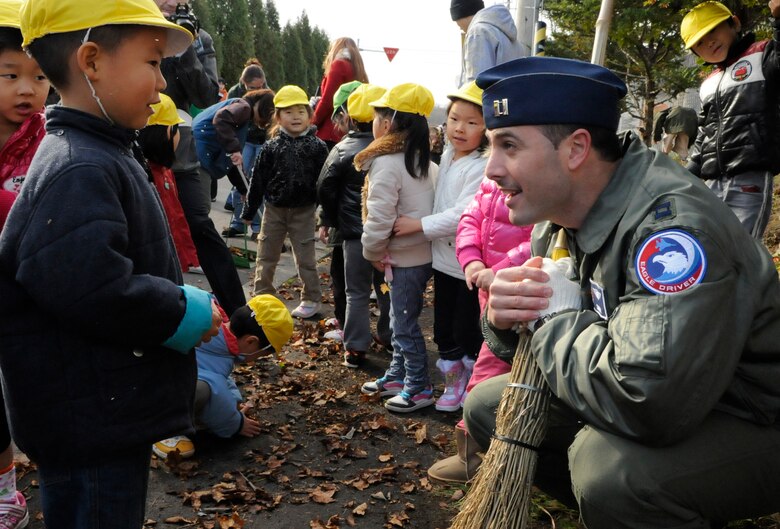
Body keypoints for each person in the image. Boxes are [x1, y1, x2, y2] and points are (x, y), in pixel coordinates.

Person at [460, 56, 780, 527]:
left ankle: (644, 503)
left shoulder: (672, 231)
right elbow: (552, 341)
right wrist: (506, 319)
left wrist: (553, 321)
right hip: (690, 394)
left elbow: (647, 401)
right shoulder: (559, 217)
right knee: (488, 406)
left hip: (754, 413)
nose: (491, 169)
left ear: (575, 150)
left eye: (508, 145)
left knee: (611, 473)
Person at [0, 1, 223, 526]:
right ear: (92, 62)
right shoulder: (79, 166)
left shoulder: (97, 151)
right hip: (90, 418)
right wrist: (182, 310)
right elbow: (91, 286)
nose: (163, 84)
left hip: (97, 406)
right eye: (152, 63)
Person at [426, 175, 534, 484]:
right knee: (492, 363)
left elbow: (542, 238)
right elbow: (471, 218)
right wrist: (472, 261)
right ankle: (478, 449)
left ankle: (471, 452)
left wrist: (499, 271)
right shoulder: (492, 180)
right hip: (489, 291)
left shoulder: (539, 181)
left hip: (520, 291)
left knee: (490, 367)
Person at [390, 81, 487, 411]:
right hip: (443, 261)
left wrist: (418, 225)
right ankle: (453, 381)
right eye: (455, 119)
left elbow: (464, 213)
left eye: (472, 122)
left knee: (467, 328)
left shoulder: (481, 166)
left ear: (488, 129)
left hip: (469, 264)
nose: (460, 129)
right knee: (443, 327)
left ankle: (473, 386)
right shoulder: (447, 155)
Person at [155, 0, 246, 316]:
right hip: (134, 140)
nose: (169, 2)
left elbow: (207, 95)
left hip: (179, 142)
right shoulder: (131, 21)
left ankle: (239, 314)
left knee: (199, 223)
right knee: (145, 227)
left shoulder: (198, 37)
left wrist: (183, 44)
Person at [357, 83, 438, 412]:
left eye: (377, 116)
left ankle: (419, 386)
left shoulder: (387, 164)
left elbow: (379, 218)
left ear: (387, 122)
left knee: (403, 325)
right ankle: (398, 374)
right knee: (400, 319)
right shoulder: (426, 162)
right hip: (419, 256)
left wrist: (372, 252)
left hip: (401, 258)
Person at [0, 1, 49, 525]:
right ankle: (7, 489)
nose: (26, 89)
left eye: (38, 76)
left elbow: (47, 211)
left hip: (27, 294)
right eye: (10, 74)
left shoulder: (49, 140)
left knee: (23, 389)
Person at [681, 0, 780, 239]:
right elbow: (707, 131)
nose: (709, 42)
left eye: (713, 31)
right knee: (711, 245)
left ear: (734, 23)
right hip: (712, 181)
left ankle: (753, 278)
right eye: (699, 42)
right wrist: (686, 174)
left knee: (741, 247)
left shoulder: (763, 56)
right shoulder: (709, 82)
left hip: (750, 175)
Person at [154, 295, 294, 459]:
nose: (256, 359)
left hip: (150, 377)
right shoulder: (217, 349)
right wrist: (237, 423)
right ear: (250, 341)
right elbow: (216, 391)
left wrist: (233, 400)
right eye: (260, 354)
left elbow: (219, 376)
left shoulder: (216, 332)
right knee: (202, 390)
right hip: (150, 394)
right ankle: (164, 429)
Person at [316, 82, 392, 367]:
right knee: (386, 287)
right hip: (386, 234)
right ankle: (389, 335)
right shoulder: (391, 150)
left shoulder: (342, 149)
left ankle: (356, 347)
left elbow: (324, 187)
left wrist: (333, 218)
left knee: (356, 291)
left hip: (353, 236)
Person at [241, 85, 329, 319]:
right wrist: (249, 210)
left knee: (306, 258)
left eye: (301, 111)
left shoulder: (318, 147)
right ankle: (262, 296)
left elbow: (325, 182)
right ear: (278, 117)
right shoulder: (270, 147)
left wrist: (326, 214)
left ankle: (311, 298)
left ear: (310, 116)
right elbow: (257, 180)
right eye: (288, 112)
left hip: (304, 211)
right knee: (266, 255)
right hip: (274, 210)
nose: (296, 116)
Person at [192, 88, 275, 242]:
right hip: (198, 156)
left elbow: (231, 163)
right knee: (201, 209)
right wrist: (234, 148)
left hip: (199, 156)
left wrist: (244, 190)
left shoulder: (241, 113)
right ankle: (199, 249)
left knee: (199, 208)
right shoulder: (244, 107)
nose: (262, 123)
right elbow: (221, 118)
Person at [139, 93, 200, 273]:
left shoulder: (164, 172)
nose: (179, 137)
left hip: (170, 263)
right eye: (175, 129)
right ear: (164, 133)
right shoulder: (146, 176)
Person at [223, 59, 268, 235]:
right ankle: (237, 223)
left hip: (262, 141)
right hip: (244, 141)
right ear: (244, 83)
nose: (257, 91)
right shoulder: (235, 92)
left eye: (260, 86)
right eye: (252, 88)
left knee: (258, 183)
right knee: (240, 180)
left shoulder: (267, 93)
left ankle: (257, 227)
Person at [311, 37, 369, 149]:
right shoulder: (358, 69)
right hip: (350, 130)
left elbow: (328, 101)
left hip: (330, 131)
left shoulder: (339, 64)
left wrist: (312, 123)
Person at [450, 0, 525, 85]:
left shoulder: (478, 32)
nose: (459, 27)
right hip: (511, 96)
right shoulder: (511, 38)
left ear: (462, 13)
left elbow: (476, 83)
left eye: (457, 21)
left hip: (491, 97)